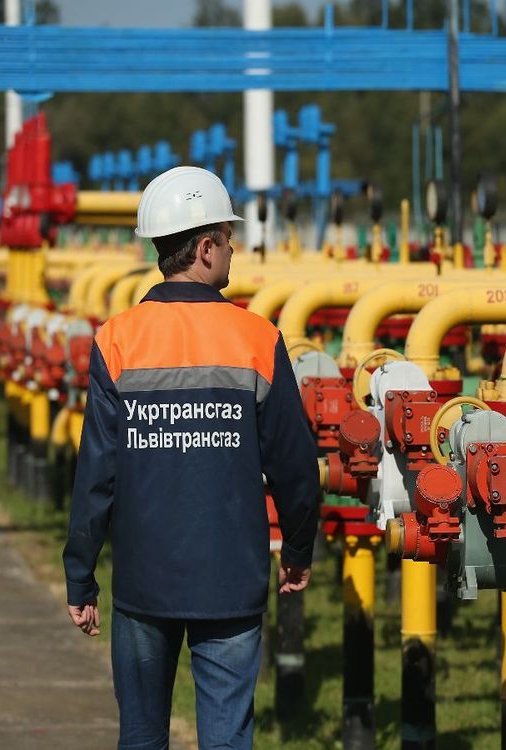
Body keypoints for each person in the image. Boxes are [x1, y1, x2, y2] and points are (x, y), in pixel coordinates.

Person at [62, 166, 320, 750]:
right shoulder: (258, 339)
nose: (232, 251)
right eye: (227, 240)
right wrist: (298, 550)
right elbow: (295, 467)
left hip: (142, 582)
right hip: (231, 580)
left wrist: (81, 575)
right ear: (205, 247)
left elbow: (96, 475)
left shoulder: (117, 339)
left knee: (143, 736)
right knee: (228, 739)